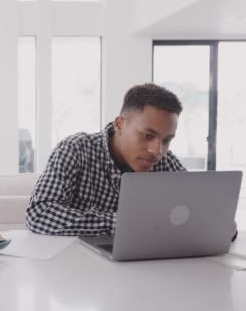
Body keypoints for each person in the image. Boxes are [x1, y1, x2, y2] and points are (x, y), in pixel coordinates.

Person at [26, 83, 186, 236]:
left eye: (166, 140)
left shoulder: (164, 160)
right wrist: (124, 223)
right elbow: (39, 213)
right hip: (75, 259)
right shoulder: (76, 149)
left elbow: (195, 208)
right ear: (119, 125)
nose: (157, 150)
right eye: (148, 136)